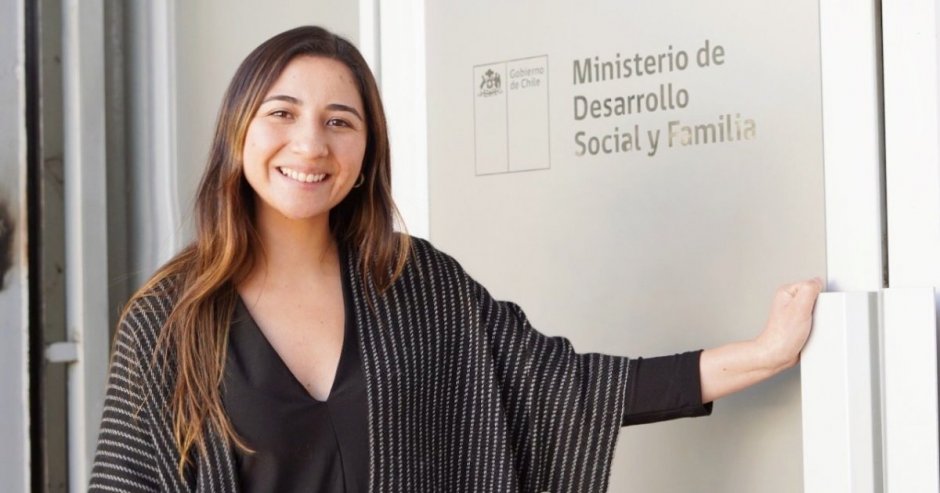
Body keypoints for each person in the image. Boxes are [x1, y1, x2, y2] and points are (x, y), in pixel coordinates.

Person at [88, 26, 822, 493]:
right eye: (282, 113)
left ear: (366, 153)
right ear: (238, 130)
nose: (310, 144)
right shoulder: (168, 320)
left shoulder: (416, 283)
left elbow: (572, 388)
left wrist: (763, 354)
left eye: (340, 121)